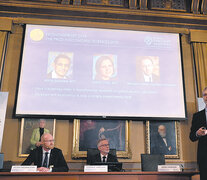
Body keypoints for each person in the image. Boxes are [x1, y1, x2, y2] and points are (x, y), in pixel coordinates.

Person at [190, 86, 207, 180]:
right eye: (205, 95)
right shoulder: (197, 116)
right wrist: (197, 133)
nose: (206, 97)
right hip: (204, 157)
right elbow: (191, 136)